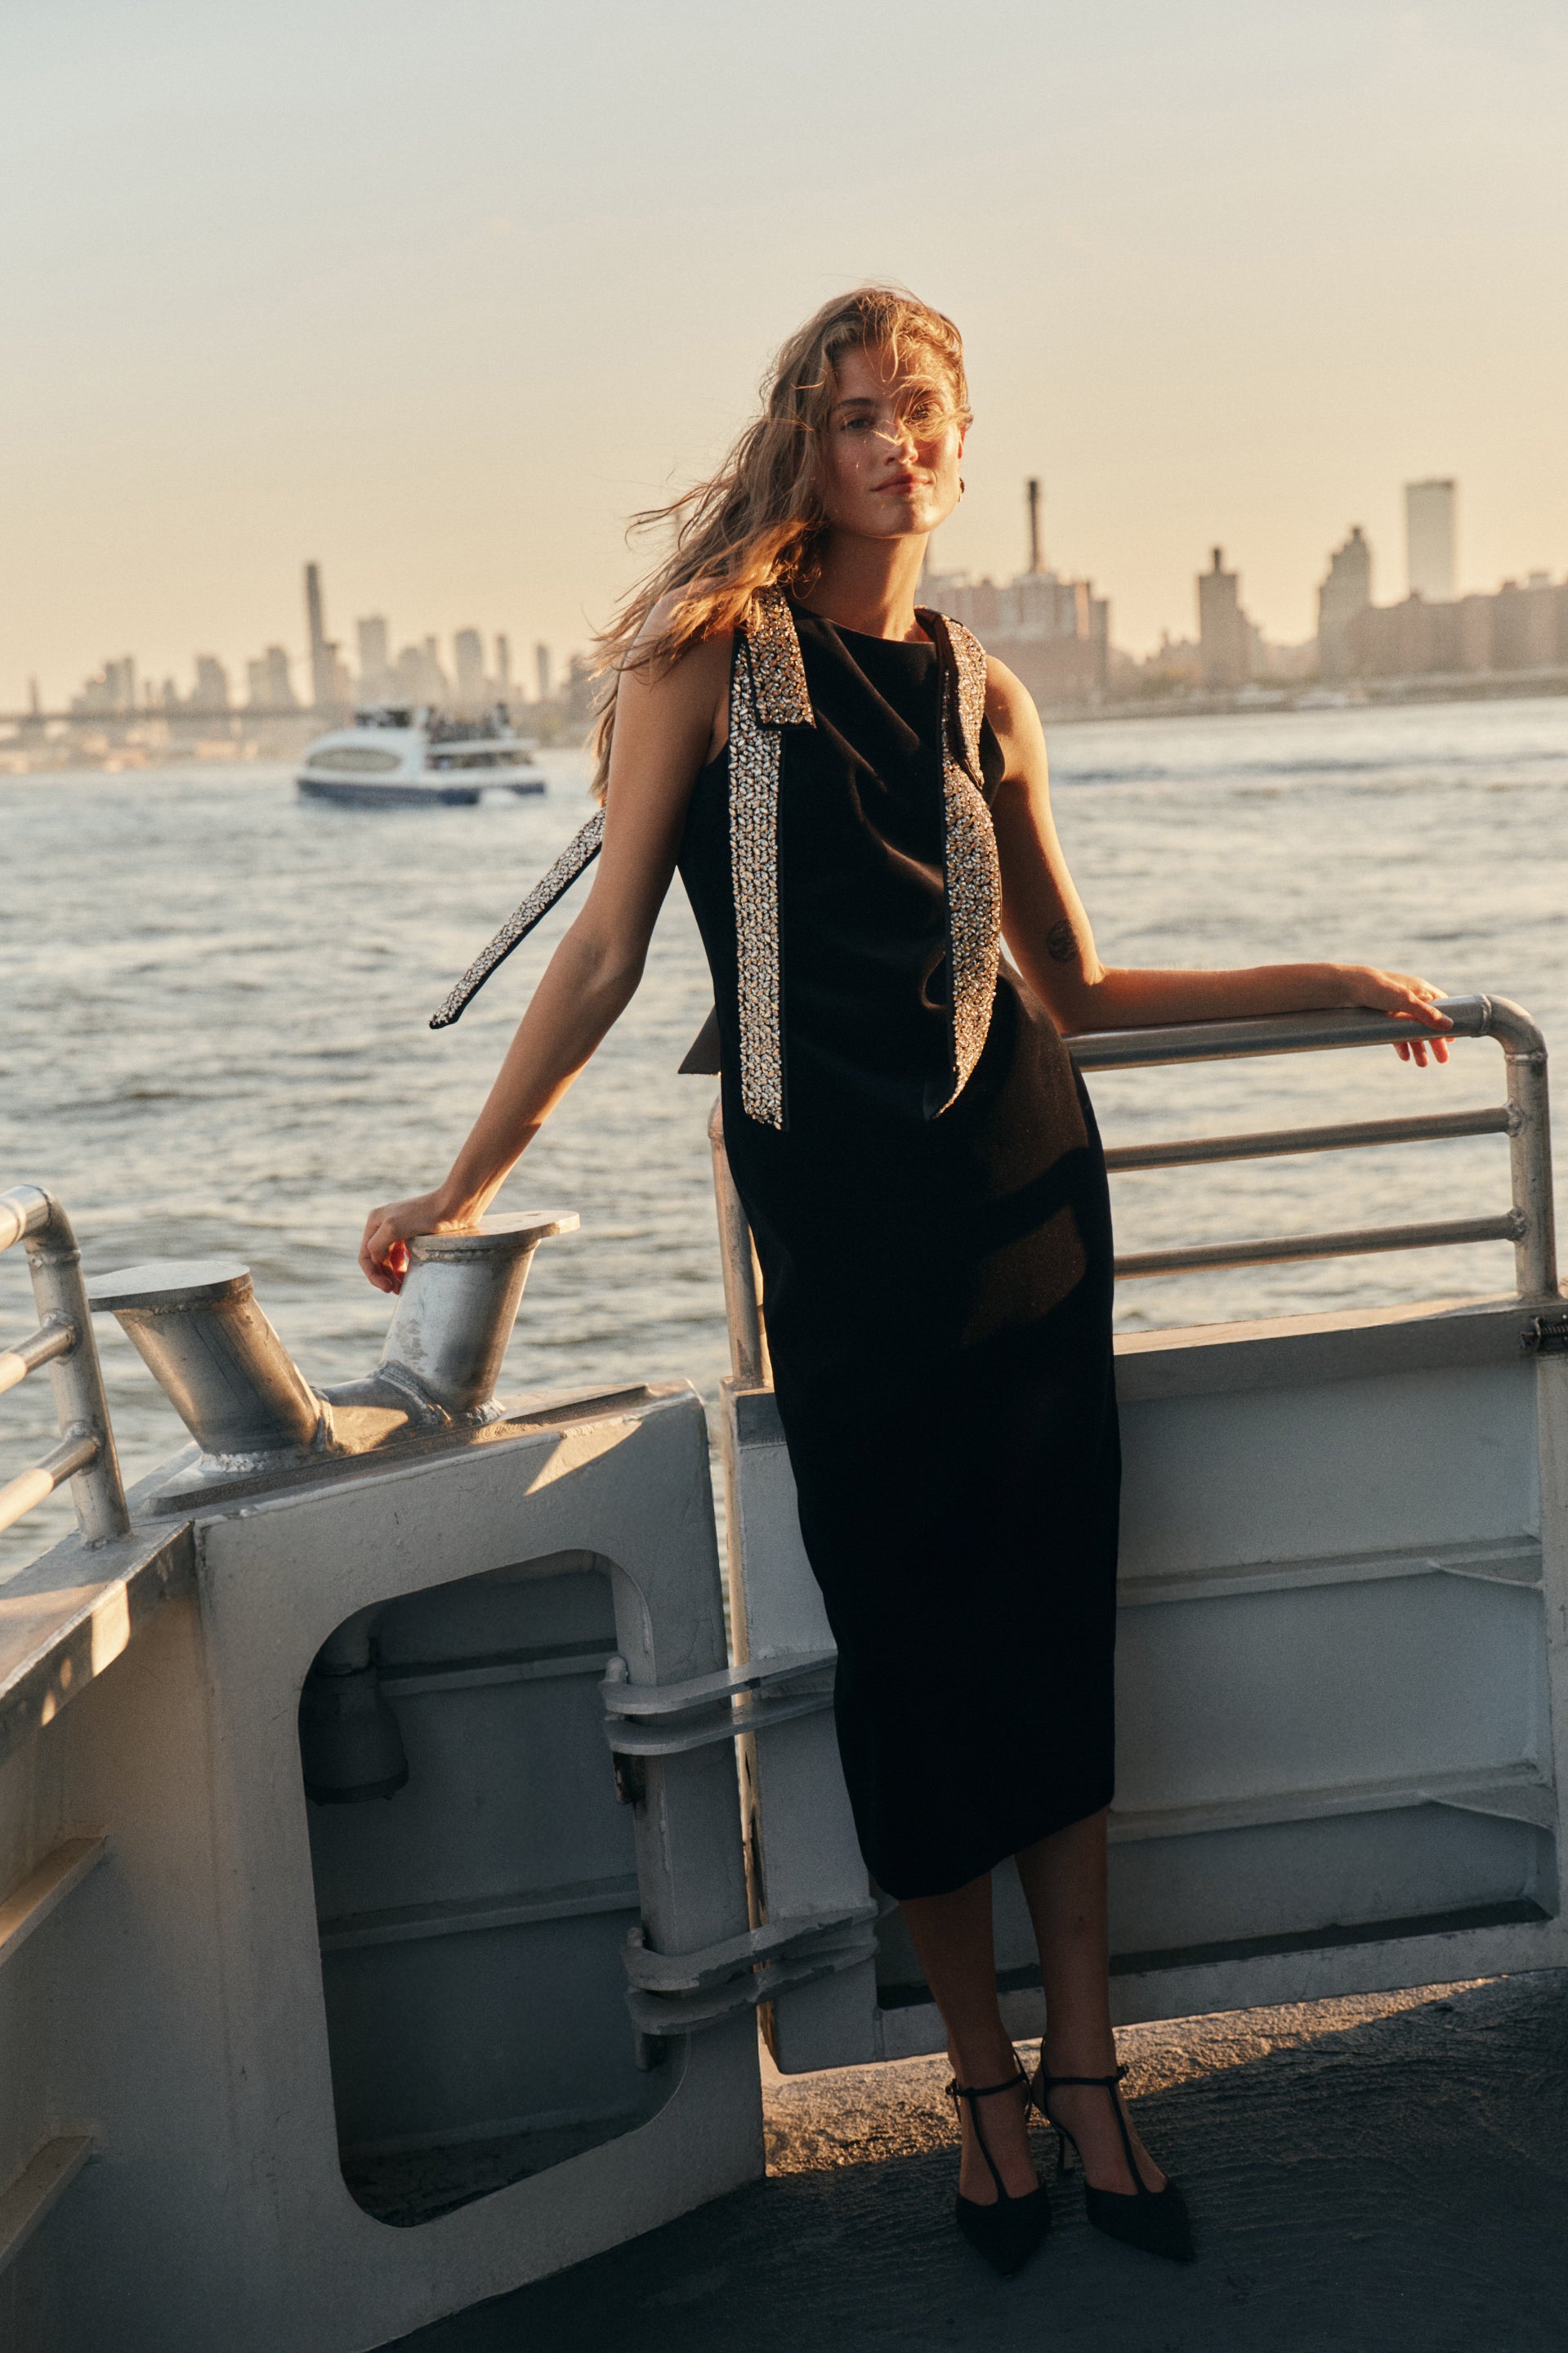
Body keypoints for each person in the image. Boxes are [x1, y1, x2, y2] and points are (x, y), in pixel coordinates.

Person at [360, 287, 1451, 2278]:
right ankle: (979, 2085)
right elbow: (605, 961)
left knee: (1047, 1618)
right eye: (859, 416)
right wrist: (459, 1179)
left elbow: (1077, 987)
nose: (899, 446)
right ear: (808, 442)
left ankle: (1093, 2072)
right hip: (841, 1223)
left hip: (1024, 1190)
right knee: (911, 1634)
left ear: (960, 441)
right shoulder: (705, 664)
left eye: (924, 416)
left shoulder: (984, 692)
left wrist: (1331, 977)